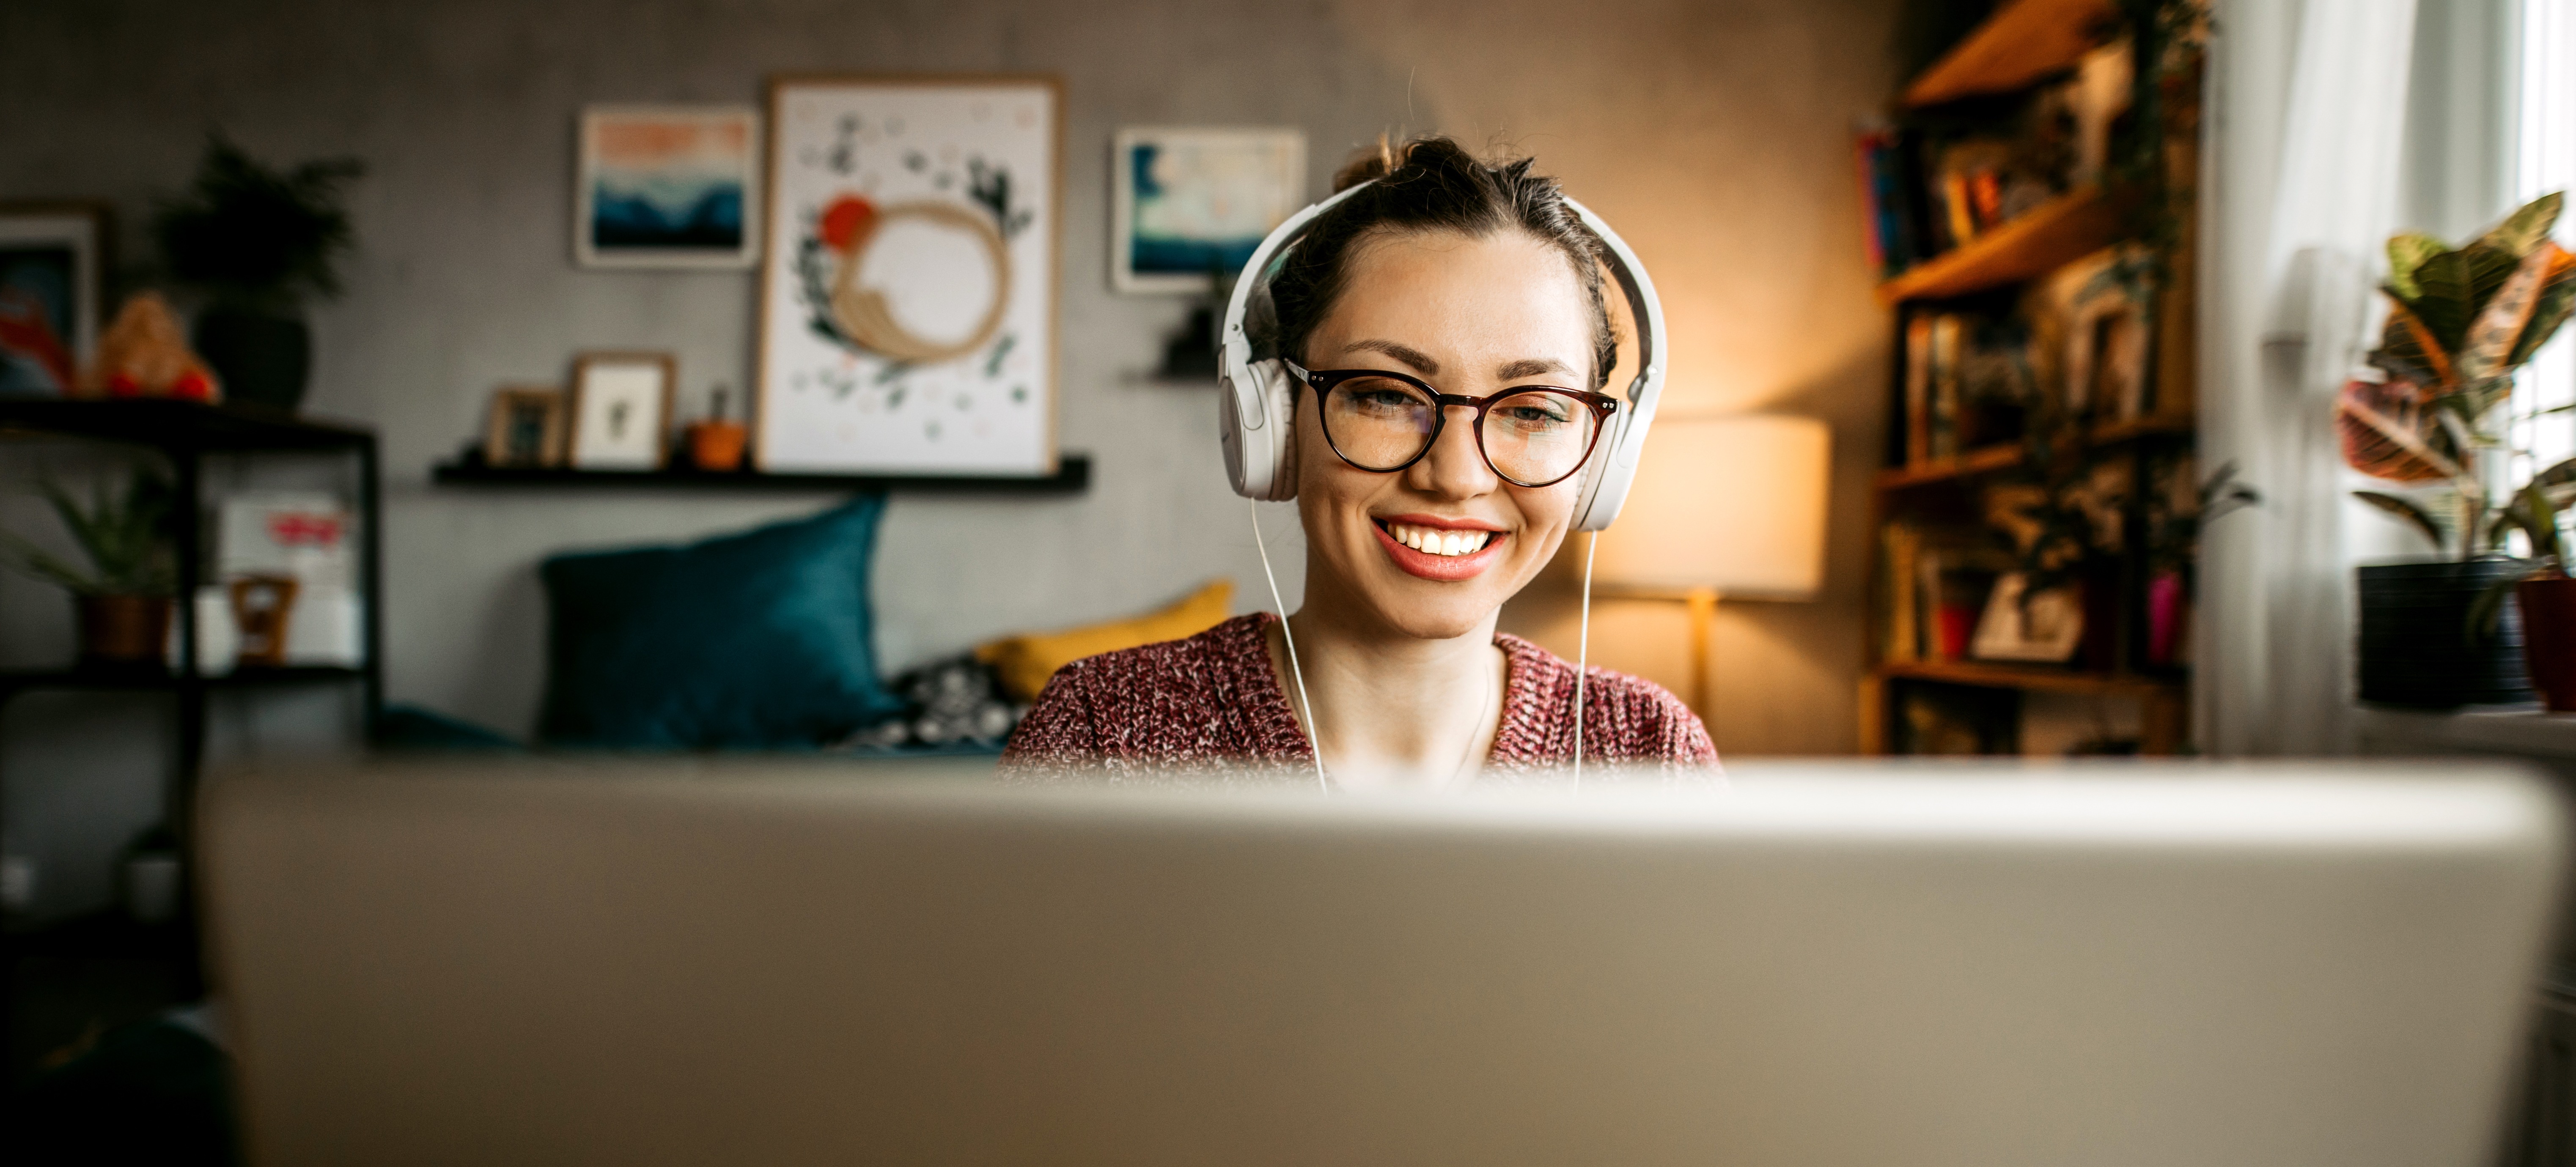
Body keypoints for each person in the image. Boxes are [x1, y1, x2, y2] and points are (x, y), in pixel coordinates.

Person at [1002, 137, 1716, 786]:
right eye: (1382, 395)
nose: (1456, 476)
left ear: (1602, 460)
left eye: (1531, 409)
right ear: (1276, 420)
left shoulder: (1650, 751)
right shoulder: (1103, 735)